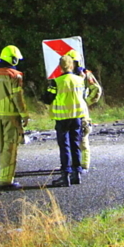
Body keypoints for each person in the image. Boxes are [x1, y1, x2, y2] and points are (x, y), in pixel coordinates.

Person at [0, 45, 29, 189]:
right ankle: (6, 180)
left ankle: (2, 176)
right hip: (11, 116)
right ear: (13, 59)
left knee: (2, 146)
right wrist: (24, 114)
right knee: (10, 147)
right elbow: (18, 97)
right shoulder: (15, 75)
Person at [49, 54, 88, 187]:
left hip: (62, 118)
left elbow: (47, 97)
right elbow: (82, 95)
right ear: (72, 65)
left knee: (64, 146)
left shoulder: (56, 81)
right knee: (75, 144)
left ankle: (65, 175)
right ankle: (77, 173)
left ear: (60, 67)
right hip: (76, 117)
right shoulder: (79, 80)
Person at [68, 50, 103, 171]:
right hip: (68, 110)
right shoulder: (65, 75)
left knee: (83, 137)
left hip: (81, 111)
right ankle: (74, 164)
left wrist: (86, 102)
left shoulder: (85, 74)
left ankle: (84, 164)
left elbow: (96, 89)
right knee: (70, 139)